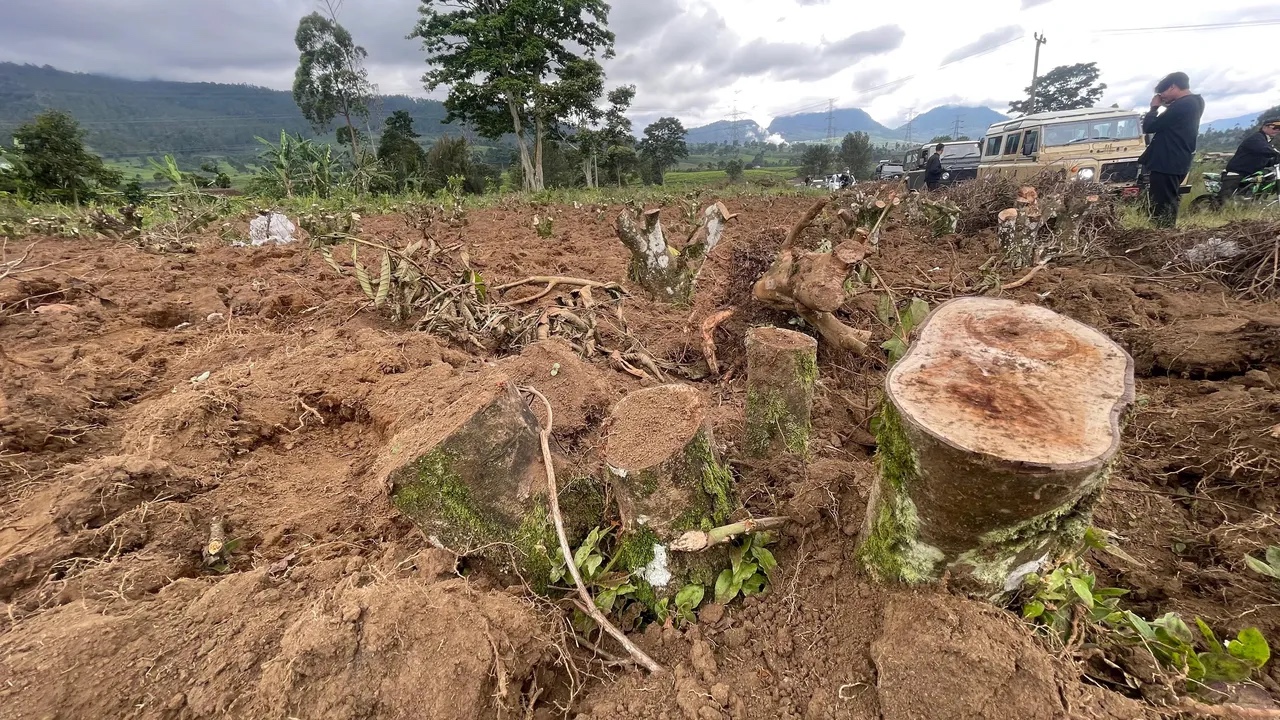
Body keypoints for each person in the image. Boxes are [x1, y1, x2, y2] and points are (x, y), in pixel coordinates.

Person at [1139, 72, 1204, 227]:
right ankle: (1164, 233)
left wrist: (1154, 108)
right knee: (1167, 200)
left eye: (1163, 93)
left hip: (1167, 161)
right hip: (1177, 160)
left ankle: (1164, 235)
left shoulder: (1183, 104)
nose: (1162, 97)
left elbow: (1149, 127)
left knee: (1163, 204)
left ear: (1173, 86)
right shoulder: (1196, 102)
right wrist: (1168, 104)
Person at [1219, 118, 1280, 201]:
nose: (1277, 130)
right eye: (1275, 127)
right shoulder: (1256, 139)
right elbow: (1263, 150)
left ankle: (1254, 201)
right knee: (1224, 200)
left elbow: (1263, 161)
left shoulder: (1265, 141)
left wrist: (1276, 159)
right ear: (1265, 127)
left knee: (1269, 176)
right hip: (1237, 172)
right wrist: (1276, 153)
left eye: (1279, 128)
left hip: (1251, 173)